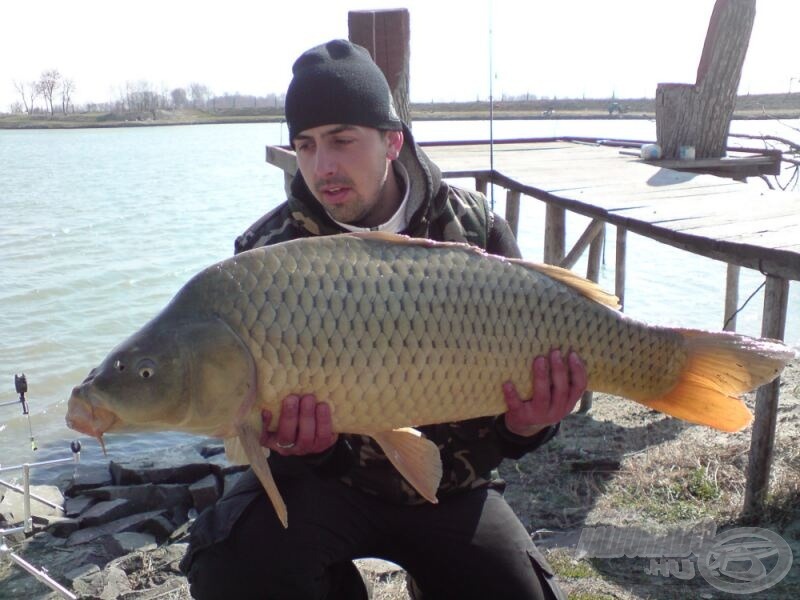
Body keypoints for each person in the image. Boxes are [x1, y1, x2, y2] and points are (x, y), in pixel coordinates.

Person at [180, 39, 587, 600]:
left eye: (343, 141)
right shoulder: (267, 255)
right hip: (321, 488)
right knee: (231, 570)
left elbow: (521, 429)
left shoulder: (474, 229)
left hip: (452, 487)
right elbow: (262, 428)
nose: (324, 166)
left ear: (392, 141)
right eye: (306, 145)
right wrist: (308, 446)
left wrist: (529, 424)